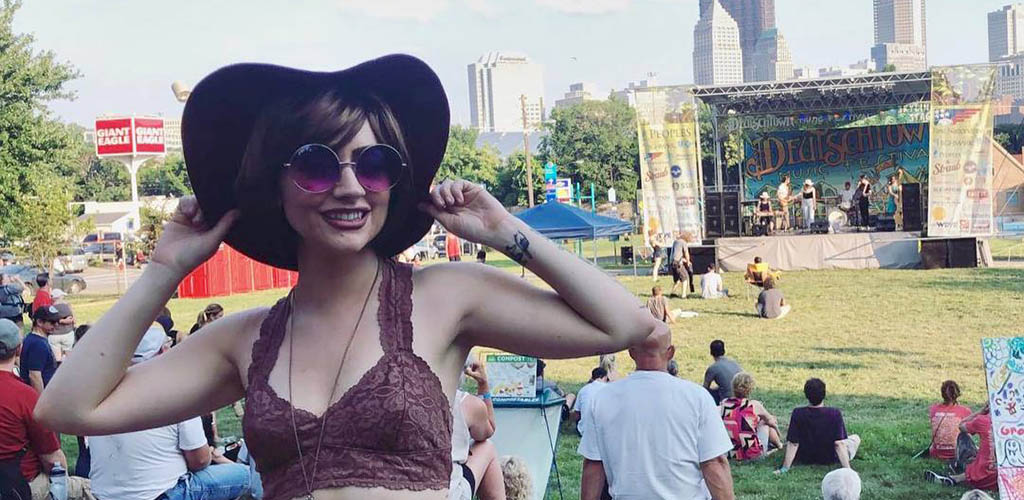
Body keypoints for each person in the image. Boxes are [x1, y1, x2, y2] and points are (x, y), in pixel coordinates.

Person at [37, 55, 664, 500]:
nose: (348, 187)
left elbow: (628, 325)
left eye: (374, 164)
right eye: (315, 165)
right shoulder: (244, 340)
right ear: (274, 182)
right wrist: (163, 271)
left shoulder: (444, 298)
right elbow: (69, 407)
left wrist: (507, 234)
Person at [87, 325, 251, 500]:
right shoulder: (176, 392)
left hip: (104, 495)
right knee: (245, 475)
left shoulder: (98, 393)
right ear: (163, 352)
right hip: (165, 493)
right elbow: (200, 461)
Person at [578, 329, 735, 500]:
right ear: (671, 352)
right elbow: (714, 463)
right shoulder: (697, 397)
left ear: (631, 352)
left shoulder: (602, 398)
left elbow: (593, 465)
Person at [0, 319, 95, 500]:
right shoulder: (23, 395)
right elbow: (51, 458)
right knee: (92, 489)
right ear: (19, 349)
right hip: (19, 485)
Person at [776, 378, 861, 474]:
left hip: (804, 457)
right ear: (824, 394)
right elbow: (838, 444)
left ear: (806, 395)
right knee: (855, 438)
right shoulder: (834, 413)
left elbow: (793, 443)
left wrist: (784, 468)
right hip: (830, 458)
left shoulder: (798, 413)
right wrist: (848, 470)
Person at [450, 358, 505, 500]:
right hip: (446, 493)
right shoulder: (465, 403)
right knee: (487, 447)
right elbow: (489, 430)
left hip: (391, 489)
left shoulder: (390, 399)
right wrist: (483, 384)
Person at [926, 403, 997, 491]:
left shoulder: (983, 420)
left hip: (978, 477)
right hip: (1000, 479)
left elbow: (961, 426)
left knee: (963, 437)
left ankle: (955, 477)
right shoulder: (1017, 425)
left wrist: (981, 411)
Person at [719, 372, 782, 461]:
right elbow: (770, 421)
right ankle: (779, 445)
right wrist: (777, 431)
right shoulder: (754, 405)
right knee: (765, 422)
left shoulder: (724, 403)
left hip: (731, 453)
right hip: (753, 454)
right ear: (750, 389)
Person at [21, 305, 68, 393]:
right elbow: (35, 376)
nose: (57, 325)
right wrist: (40, 401)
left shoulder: (33, 338)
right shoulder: (38, 344)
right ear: (39, 322)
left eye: (58, 321)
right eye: (52, 322)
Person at [929, 380, 972, 461]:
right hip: (957, 453)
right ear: (957, 394)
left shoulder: (933, 409)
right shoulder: (965, 411)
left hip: (937, 453)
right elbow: (971, 433)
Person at [571, 367, 610, 436]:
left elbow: (576, 414)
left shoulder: (584, 389)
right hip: (606, 432)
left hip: (584, 431)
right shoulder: (609, 389)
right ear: (605, 377)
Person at [703, 340, 742, 405]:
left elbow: (705, 388)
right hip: (740, 396)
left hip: (726, 400)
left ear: (711, 352)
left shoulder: (713, 368)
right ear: (724, 351)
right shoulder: (734, 363)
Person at [668, 232, 694, 297]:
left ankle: (673, 293)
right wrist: (688, 262)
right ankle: (684, 295)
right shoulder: (683, 242)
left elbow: (675, 254)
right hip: (678, 263)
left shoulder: (675, 242)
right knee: (685, 278)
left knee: (678, 279)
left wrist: (683, 260)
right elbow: (686, 253)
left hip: (672, 263)